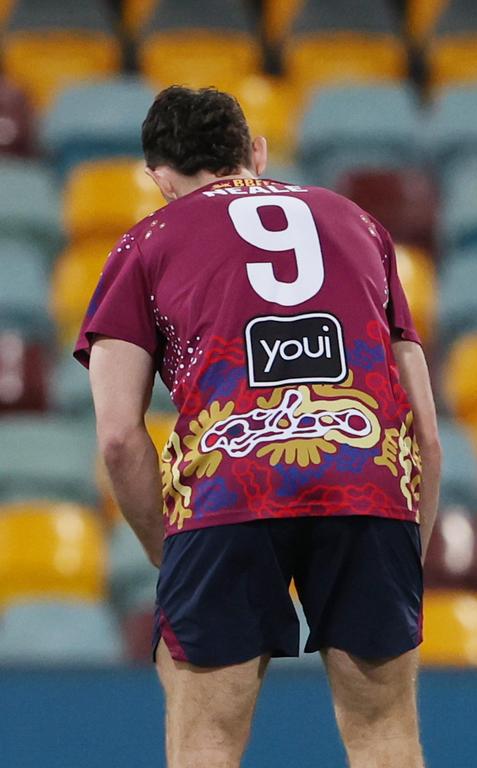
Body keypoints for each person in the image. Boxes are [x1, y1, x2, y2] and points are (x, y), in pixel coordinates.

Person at [75, 86, 441, 768]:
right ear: (257, 154)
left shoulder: (146, 242)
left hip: (228, 487)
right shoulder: (358, 223)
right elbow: (426, 429)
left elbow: (119, 435)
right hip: (367, 477)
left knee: (207, 738)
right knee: (385, 733)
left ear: (157, 176)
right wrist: (400, 545)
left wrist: (168, 547)